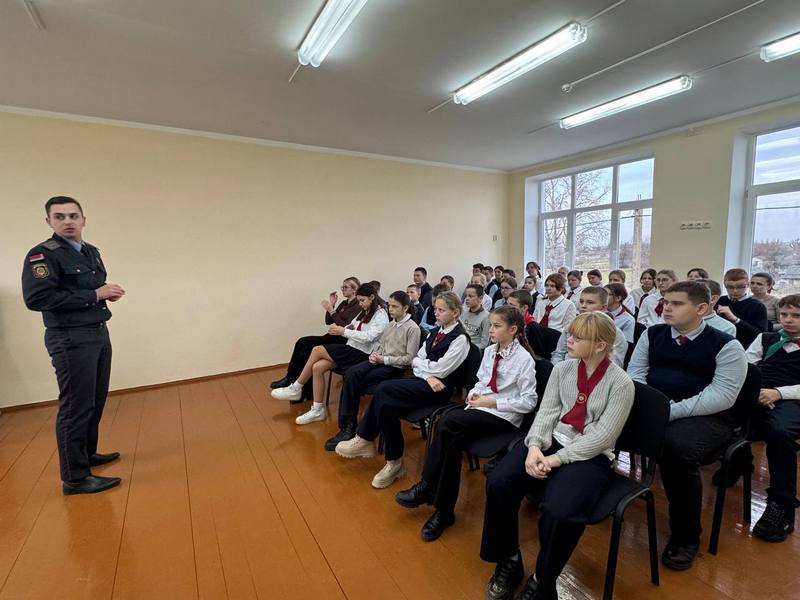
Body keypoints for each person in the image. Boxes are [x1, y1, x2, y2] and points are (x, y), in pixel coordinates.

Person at [481, 312, 634, 600]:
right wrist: (535, 446)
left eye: (577, 337)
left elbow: (603, 437)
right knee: (499, 481)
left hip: (590, 454)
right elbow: (547, 412)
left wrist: (555, 459)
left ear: (600, 345)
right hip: (551, 441)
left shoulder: (621, 383)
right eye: (570, 334)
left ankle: (543, 578)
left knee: (560, 512)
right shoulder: (562, 369)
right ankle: (508, 559)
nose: (568, 340)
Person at [628, 281, 746, 570]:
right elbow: (636, 374)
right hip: (657, 408)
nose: (666, 308)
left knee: (676, 449)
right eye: (666, 302)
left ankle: (686, 535)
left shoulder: (727, 345)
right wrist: (653, 408)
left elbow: (721, 396)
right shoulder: (652, 334)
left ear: (702, 308)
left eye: (677, 303)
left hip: (708, 417)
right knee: (599, 418)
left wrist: (667, 412)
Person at [395, 306, 538, 542]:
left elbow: (529, 402)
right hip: (480, 409)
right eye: (490, 325)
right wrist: (474, 395)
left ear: (513, 329)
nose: (490, 330)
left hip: (504, 417)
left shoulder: (524, 359)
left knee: (446, 421)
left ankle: (427, 485)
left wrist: (491, 402)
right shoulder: (490, 351)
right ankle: (444, 512)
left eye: (497, 326)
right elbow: (481, 382)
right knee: (451, 443)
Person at [22, 196, 124, 495]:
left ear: (83, 219)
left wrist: (104, 294)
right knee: (76, 406)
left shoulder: (90, 252)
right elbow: (38, 299)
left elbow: (90, 289)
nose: (68, 221)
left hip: (97, 332)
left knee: (95, 399)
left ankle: (86, 455)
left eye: (73, 215)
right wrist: (95, 295)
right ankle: (75, 478)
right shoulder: (42, 255)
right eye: (60, 216)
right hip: (70, 338)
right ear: (49, 221)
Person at [335, 292, 471, 489]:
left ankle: (365, 438)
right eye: (435, 309)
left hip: (440, 389)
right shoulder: (434, 332)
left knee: (384, 389)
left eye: (441, 310)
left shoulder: (461, 339)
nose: (436, 313)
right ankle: (394, 462)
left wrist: (426, 370)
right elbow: (416, 361)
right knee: (387, 406)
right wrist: (428, 375)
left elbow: (441, 370)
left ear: (455, 313)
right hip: (426, 382)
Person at [271, 283, 388, 424]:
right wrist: (345, 328)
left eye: (362, 300)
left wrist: (344, 331)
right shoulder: (365, 310)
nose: (360, 304)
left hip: (362, 353)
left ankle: (296, 387)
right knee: (317, 367)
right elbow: (353, 324)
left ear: (372, 297)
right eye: (359, 301)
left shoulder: (381, 314)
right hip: (352, 347)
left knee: (317, 349)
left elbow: (370, 337)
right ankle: (317, 410)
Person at [323, 291, 420, 450]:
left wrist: (384, 359)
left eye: (395, 306)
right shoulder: (390, 325)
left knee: (355, 381)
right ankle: (347, 426)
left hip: (394, 367)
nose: (391, 309)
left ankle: (352, 429)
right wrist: (376, 354)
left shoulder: (412, 328)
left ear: (405, 308)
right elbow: (382, 346)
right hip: (380, 360)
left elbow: (410, 358)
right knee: (351, 373)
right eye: (390, 306)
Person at [746, 295, 800, 543]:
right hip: (759, 393)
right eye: (784, 314)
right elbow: (746, 366)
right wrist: (757, 391)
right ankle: (738, 460)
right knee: (731, 418)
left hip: (792, 399)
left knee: (779, 432)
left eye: (796, 316)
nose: (788, 320)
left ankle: (781, 503)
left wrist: (779, 393)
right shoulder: (766, 338)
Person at [270, 277, 361, 393]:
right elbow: (328, 321)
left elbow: (346, 327)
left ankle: (296, 383)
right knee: (302, 342)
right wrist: (332, 305)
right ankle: (291, 378)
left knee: (306, 344)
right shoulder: (344, 303)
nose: (342, 289)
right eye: (342, 287)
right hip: (333, 336)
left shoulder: (358, 306)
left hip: (342, 340)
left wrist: (332, 311)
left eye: (345, 287)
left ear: (354, 289)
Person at [551, 287, 628, 367]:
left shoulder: (614, 333)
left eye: (590, 302)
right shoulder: (571, 325)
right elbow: (558, 354)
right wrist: (559, 369)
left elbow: (614, 365)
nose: (583, 306)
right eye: (581, 301)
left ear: (603, 307)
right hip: (565, 368)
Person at [717, 268, 769, 348]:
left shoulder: (758, 306)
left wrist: (736, 320)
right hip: (719, 345)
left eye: (740, 287)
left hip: (744, 347)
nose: (735, 291)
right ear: (724, 285)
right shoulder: (719, 301)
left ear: (747, 285)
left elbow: (760, 334)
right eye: (730, 287)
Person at [462, 284, 491, 350]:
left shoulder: (486, 317)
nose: (467, 299)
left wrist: (468, 348)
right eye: (466, 296)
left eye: (470, 296)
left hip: (473, 350)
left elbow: (484, 343)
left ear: (480, 298)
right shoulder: (463, 312)